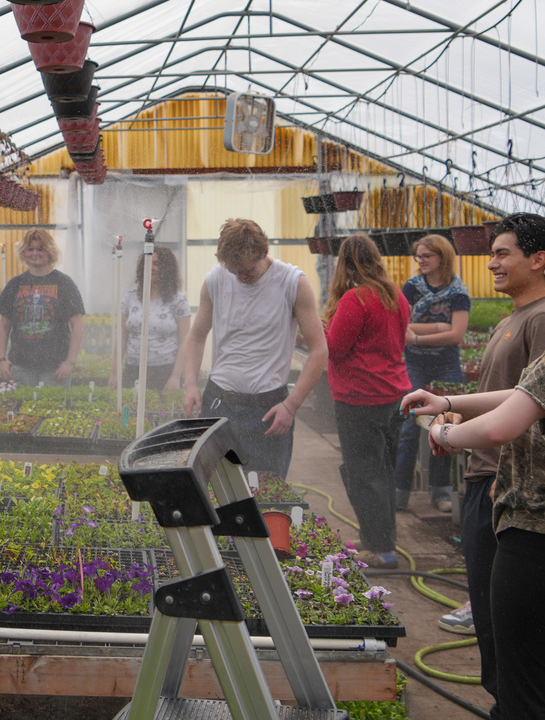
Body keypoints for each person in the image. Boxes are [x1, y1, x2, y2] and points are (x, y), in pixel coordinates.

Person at [407, 210, 545, 720]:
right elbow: (522, 397)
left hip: (543, 537)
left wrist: (444, 431)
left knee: (525, 698)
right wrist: (447, 404)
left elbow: (501, 426)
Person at [437, 214, 545, 720]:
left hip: (504, 485)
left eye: (503, 253)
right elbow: (507, 395)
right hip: (488, 476)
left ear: (538, 260)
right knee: (495, 621)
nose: (491, 262)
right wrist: (446, 403)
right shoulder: (519, 317)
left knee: (506, 624)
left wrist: (503, 474)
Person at [183, 218, 327, 479]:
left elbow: (319, 350)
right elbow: (196, 335)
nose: (239, 277)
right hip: (218, 403)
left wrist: (291, 405)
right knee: (214, 491)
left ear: (265, 252)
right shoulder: (216, 280)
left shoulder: (292, 283)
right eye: (233, 270)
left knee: (263, 497)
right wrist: (191, 383)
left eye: (247, 271)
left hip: (267, 411)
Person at [322, 235, 411, 569]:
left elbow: (335, 349)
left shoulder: (355, 298)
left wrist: (320, 331)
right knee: (383, 472)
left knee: (363, 474)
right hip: (393, 395)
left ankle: (380, 548)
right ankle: (379, 538)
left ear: (344, 262)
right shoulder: (395, 296)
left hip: (360, 398)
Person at [395, 233, 471, 512]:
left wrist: (418, 336)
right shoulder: (412, 288)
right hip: (414, 363)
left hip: (446, 364)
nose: (421, 261)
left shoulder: (459, 292)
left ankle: (440, 491)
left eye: (427, 256)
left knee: (446, 425)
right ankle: (399, 491)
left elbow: (457, 334)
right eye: (419, 256)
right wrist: (440, 328)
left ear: (443, 258)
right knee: (408, 426)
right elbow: (401, 326)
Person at [0, 228, 85, 386]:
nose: (34, 253)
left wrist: (70, 362)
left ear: (50, 252)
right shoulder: (15, 285)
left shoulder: (64, 283)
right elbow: (4, 325)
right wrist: (1, 359)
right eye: (30, 249)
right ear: (24, 252)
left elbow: (77, 324)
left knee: (52, 408)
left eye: (40, 249)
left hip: (55, 368)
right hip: (21, 367)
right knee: (21, 409)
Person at [113, 245, 191, 392]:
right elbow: (122, 336)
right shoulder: (131, 298)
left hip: (165, 371)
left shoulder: (178, 300)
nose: (152, 268)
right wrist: (115, 373)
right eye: (148, 263)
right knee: (131, 411)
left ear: (167, 268)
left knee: (163, 412)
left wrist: (175, 376)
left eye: (157, 264)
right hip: (133, 369)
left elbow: (185, 341)